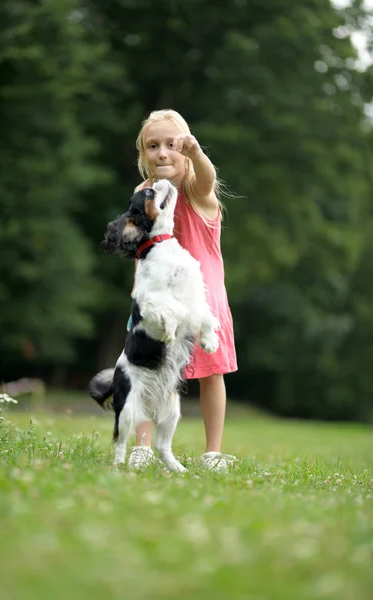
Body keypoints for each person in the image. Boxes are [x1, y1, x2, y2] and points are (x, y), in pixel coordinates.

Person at [128, 109, 238, 472]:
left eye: (171, 145)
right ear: (144, 155)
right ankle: (143, 446)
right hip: (160, 296)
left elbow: (207, 176)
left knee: (211, 374)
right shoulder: (144, 194)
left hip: (201, 297)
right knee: (149, 369)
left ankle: (212, 452)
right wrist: (137, 289)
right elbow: (143, 245)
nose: (162, 153)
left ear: (185, 149)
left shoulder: (197, 190)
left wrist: (197, 154)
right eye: (153, 146)